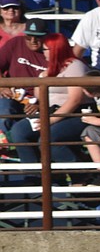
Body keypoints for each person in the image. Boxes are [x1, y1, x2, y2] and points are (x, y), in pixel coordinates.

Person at [6, 32, 90, 171]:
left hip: (76, 114)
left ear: (55, 50)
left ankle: (81, 174)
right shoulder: (49, 69)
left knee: (48, 137)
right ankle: (34, 176)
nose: (43, 53)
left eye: (45, 49)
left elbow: (75, 100)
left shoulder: (75, 66)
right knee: (19, 131)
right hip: (50, 112)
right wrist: (42, 80)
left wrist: (49, 120)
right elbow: (40, 96)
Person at [0, 18, 51, 136]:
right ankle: (9, 145)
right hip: (14, 95)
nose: (33, 41)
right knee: (4, 110)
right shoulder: (15, 43)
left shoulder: (53, 50)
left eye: (38, 37)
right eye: (28, 37)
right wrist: (2, 85)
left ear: (47, 36)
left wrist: (41, 104)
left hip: (43, 100)